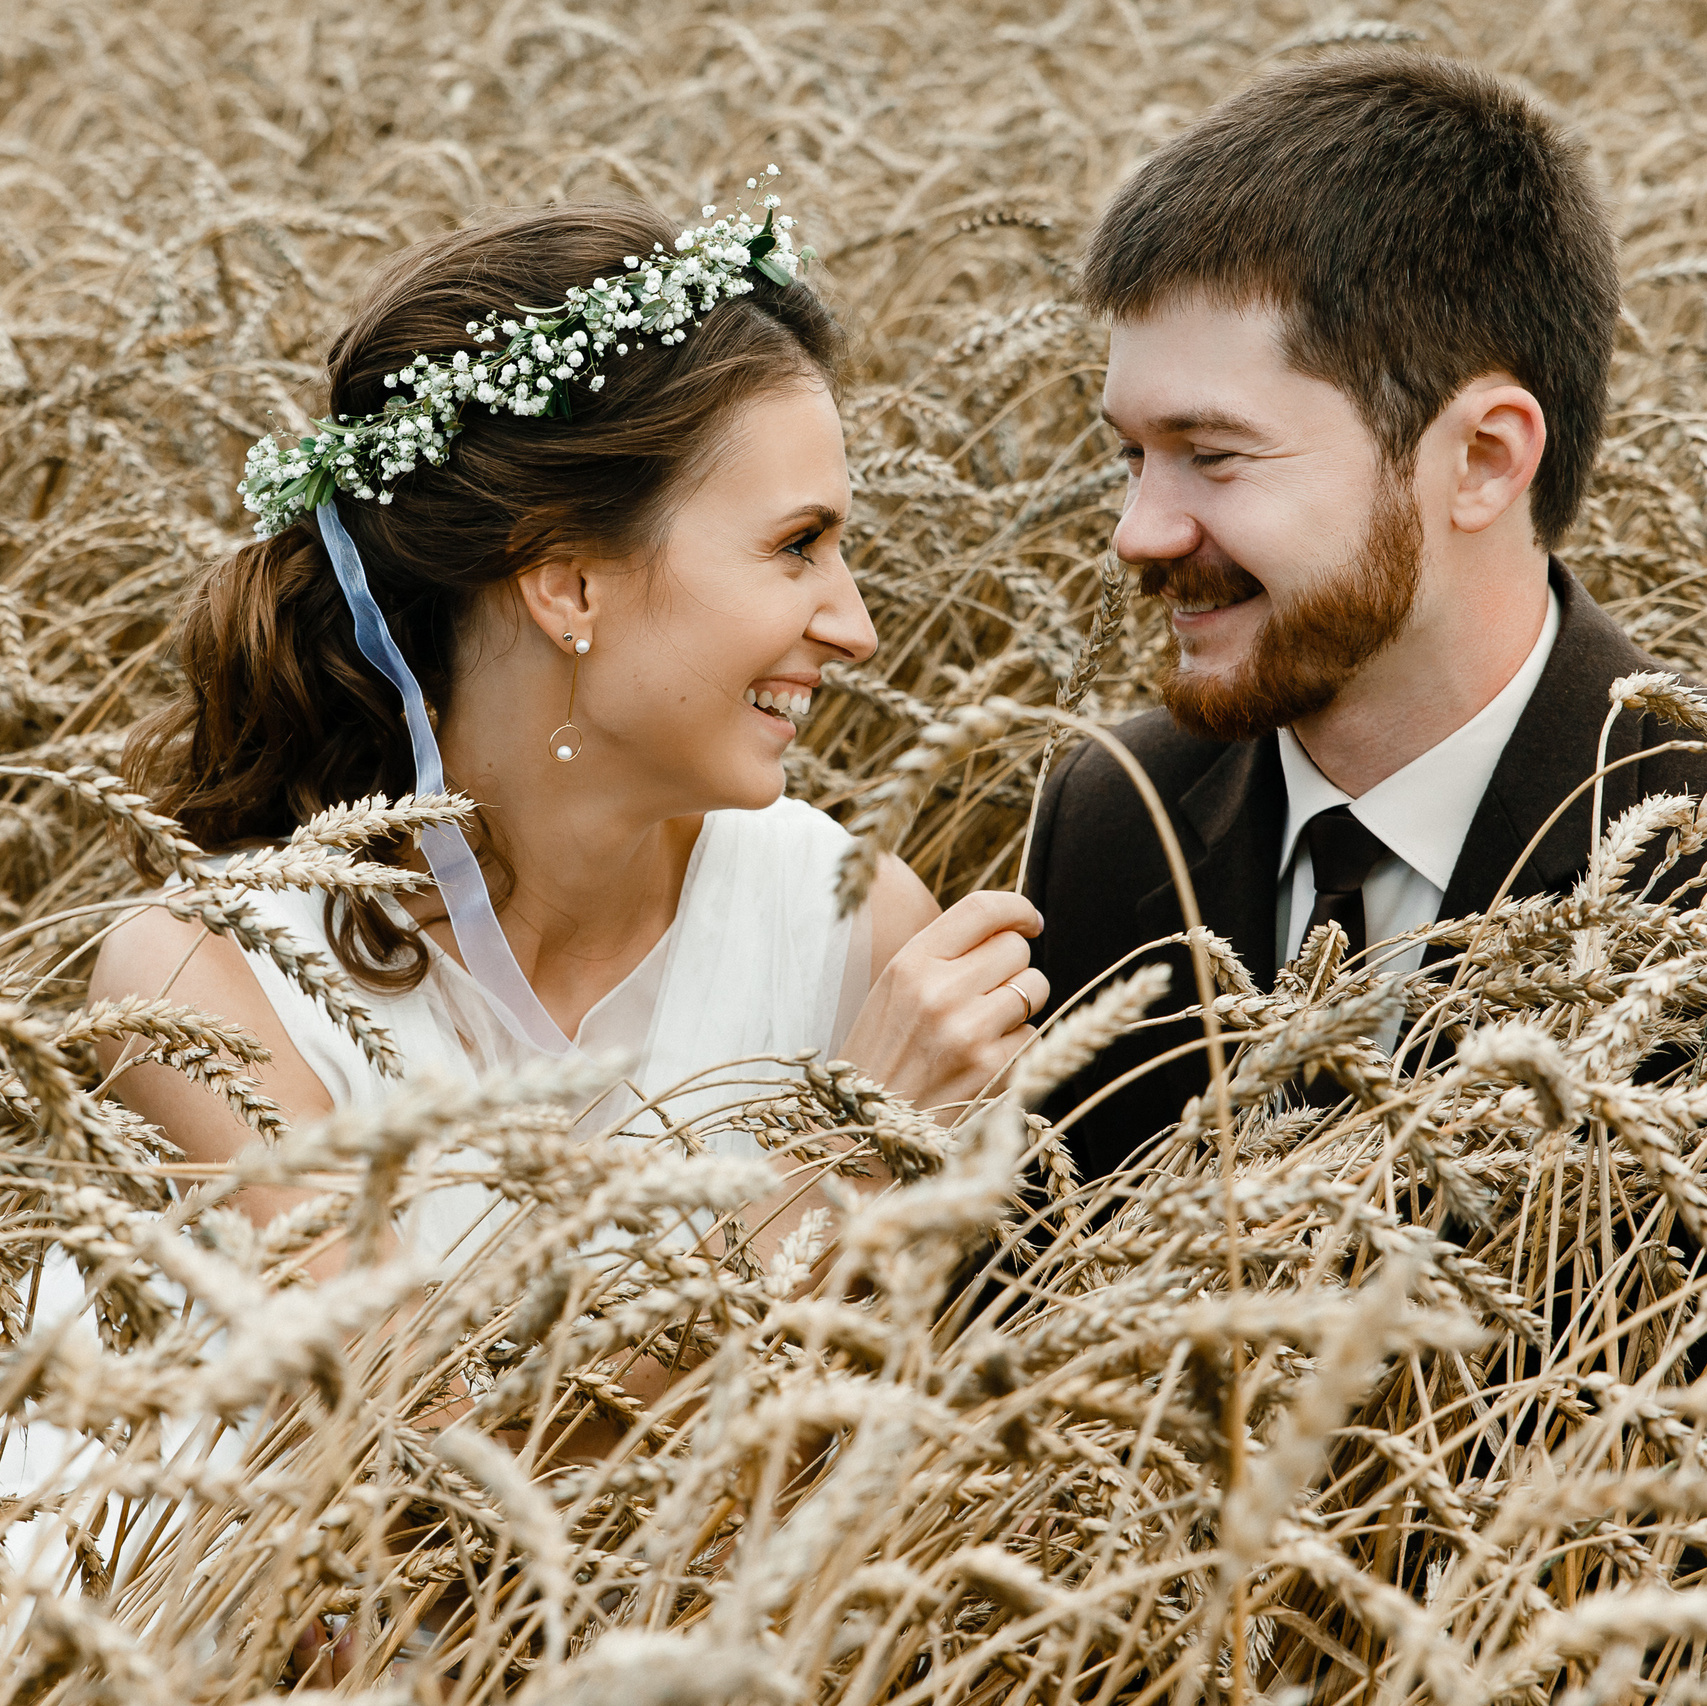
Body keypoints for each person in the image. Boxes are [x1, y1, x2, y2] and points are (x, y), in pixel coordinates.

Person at [88, 182, 1050, 1267]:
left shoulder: (849, 922)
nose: (858, 628)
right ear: (569, 587)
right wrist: (853, 1162)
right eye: (796, 545)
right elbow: (414, 1432)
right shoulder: (205, 981)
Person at [1025, 52, 1707, 1183]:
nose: (1136, 532)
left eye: (1213, 455)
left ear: (1483, 460)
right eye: (1129, 457)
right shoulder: (1106, 823)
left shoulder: (1685, 867)